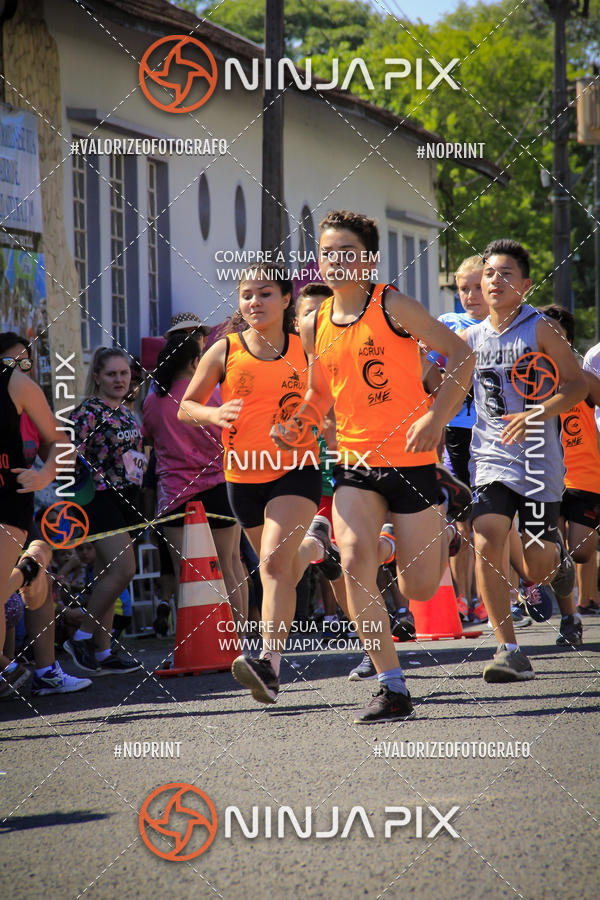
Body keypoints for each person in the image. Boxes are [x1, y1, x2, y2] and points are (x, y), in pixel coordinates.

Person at [274, 209, 475, 724]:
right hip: (355, 464)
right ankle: (392, 685)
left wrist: (435, 417)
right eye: (328, 253)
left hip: (412, 463)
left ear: (368, 260)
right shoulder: (313, 321)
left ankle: (414, 541)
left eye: (348, 253)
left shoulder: (392, 305)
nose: (337, 262)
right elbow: (320, 394)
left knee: (419, 589)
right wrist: (302, 423)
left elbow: (461, 356)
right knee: (352, 558)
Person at [179, 267, 339, 704]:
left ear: (287, 299)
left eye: (265, 294)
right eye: (246, 295)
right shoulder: (223, 350)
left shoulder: (305, 347)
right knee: (283, 566)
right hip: (242, 478)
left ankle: (269, 664)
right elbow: (186, 407)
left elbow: (330, 394)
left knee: (270, 565)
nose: (254, 302)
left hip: (295, 470)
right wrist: (214, 415)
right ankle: (317, 546)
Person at [464, 239, 586, 682]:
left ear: (526, 284)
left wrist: (536, 413)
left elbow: (575, 386)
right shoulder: (471, 338)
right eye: (490, 272)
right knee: (487, 534)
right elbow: (439, 380)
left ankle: (559, 565)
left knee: (536, 565)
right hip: (491, 456)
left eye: (506, 273)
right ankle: (508, 648)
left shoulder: (541, 330)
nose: (495, 280)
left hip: (537, 462)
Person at [142, 334, 247, 629]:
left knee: (183, 572)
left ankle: (189, 641)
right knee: (230, 565)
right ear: (194, 362)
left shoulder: (153, 401)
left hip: (174, 494)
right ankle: (239, 639)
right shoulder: (212, 395)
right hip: (218, 485)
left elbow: (150, 439)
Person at [64, 347, 144, 676]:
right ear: (96, 376)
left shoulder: (127, 412)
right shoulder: (87, 413)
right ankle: (81, 637)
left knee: (106, 575)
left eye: (124, 374)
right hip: (97, 499)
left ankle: (103, 649)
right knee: (124, 569)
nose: (119, 380)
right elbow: (67, 459)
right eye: (111, 374)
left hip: (127, 498)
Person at [430, 257, 488, 622]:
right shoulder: (449, 326)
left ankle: (495, 594)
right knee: (465, 521)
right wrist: (446, 402)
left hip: (498, 433)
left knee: (494, 520)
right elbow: (423, 372)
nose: (469, 295)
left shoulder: (510, 325)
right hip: (458, 433)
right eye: (462, 288)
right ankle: (465, 600)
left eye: (476, 287)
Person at [0, 333, 57, 698]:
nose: (20, 368)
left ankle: (46, 669)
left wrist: (45, 474)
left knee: (40, 562)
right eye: (10, 362)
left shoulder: (22, 391)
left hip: (20, 498)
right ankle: (9, 669)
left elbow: (58, 443)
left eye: (25, 362)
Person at [541, 304, 600, 644]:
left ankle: (556, 557)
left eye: (558, 338)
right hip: (545, 477)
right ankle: (570, 617)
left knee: (579, 552)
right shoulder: (528, 377)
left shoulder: (583, 379)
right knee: (550, 548)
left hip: (584, 477)